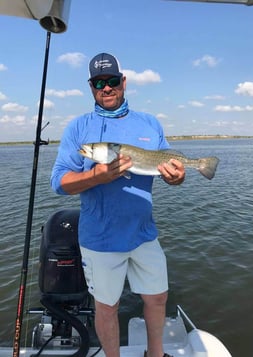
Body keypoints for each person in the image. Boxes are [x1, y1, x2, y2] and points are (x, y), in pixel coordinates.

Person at [51, 53, 185, 357]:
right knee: (107, 306)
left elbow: (167, 170)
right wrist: (96, 176)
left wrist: (176, 178)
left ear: (123, 82)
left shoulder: (149, 124)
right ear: (91, 87)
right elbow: (58, 182)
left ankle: (156, 354)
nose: (106, 88)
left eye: (112, 81)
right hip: (100, 239)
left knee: (158, 297)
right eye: (99, 83)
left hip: (144, 233)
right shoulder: (78, 128)